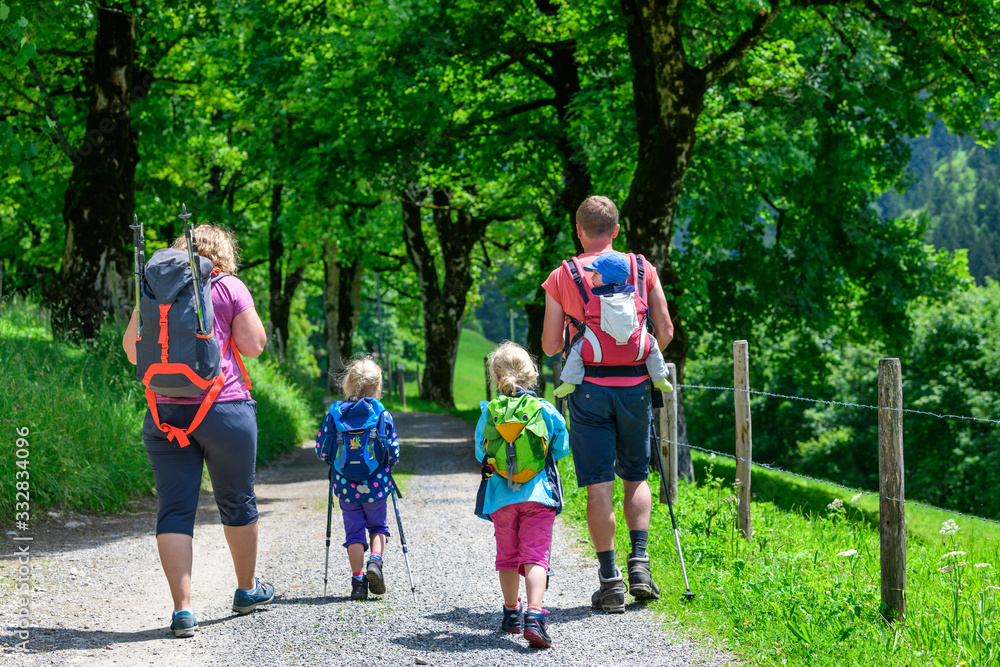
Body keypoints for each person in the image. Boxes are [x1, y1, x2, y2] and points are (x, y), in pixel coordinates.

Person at [122, 223, 272, 638]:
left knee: (174, 509)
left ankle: (183, 611)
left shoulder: (154, 288)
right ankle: (247, 590)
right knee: (237, 501)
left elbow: (132, 349)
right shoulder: (228, 287)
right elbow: (254, 346)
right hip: (225, 409)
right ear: (224, 254)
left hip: (165, 413)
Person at [541, 195, 674, 613]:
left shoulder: (562, 275)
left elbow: (549, 346)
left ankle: (610, 582)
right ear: (616, 230)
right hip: (635, 388)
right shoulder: (642, 268)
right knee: (636, 476)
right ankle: (641, 566)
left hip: (588, 392)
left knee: (598, 484)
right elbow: (666, 330)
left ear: (578, 230)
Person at [474, 341, 569, 649]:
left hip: (501, 499)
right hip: (539, 496)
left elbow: (480, 453)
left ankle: (511, 614)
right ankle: (535, 615)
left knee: (507, 557)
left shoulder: (489, 412)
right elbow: (561, 447)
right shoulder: (544, 410)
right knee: (535, 556)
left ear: (495, 376)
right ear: (532, 374)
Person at [316, 356, 400, 601]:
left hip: (345, 486)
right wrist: (388, 465)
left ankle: (358, 583)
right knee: (378, 527)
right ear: (378, 387)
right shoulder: (382, 414)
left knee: (354, 533)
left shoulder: (335, 413)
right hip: (376, 484)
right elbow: (393, 452)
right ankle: (375, 561)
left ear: (347, 384)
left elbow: (321, 449)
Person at [552, 251, 672, 398]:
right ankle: (659, 378)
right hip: (636, 351)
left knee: (576, 350)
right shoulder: (633, 296)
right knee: (652, 345)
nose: (591, 277)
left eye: (596, 273)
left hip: (594, 352)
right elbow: (665, 333)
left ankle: (569, 382)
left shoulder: (596, 296)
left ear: (608, 277)